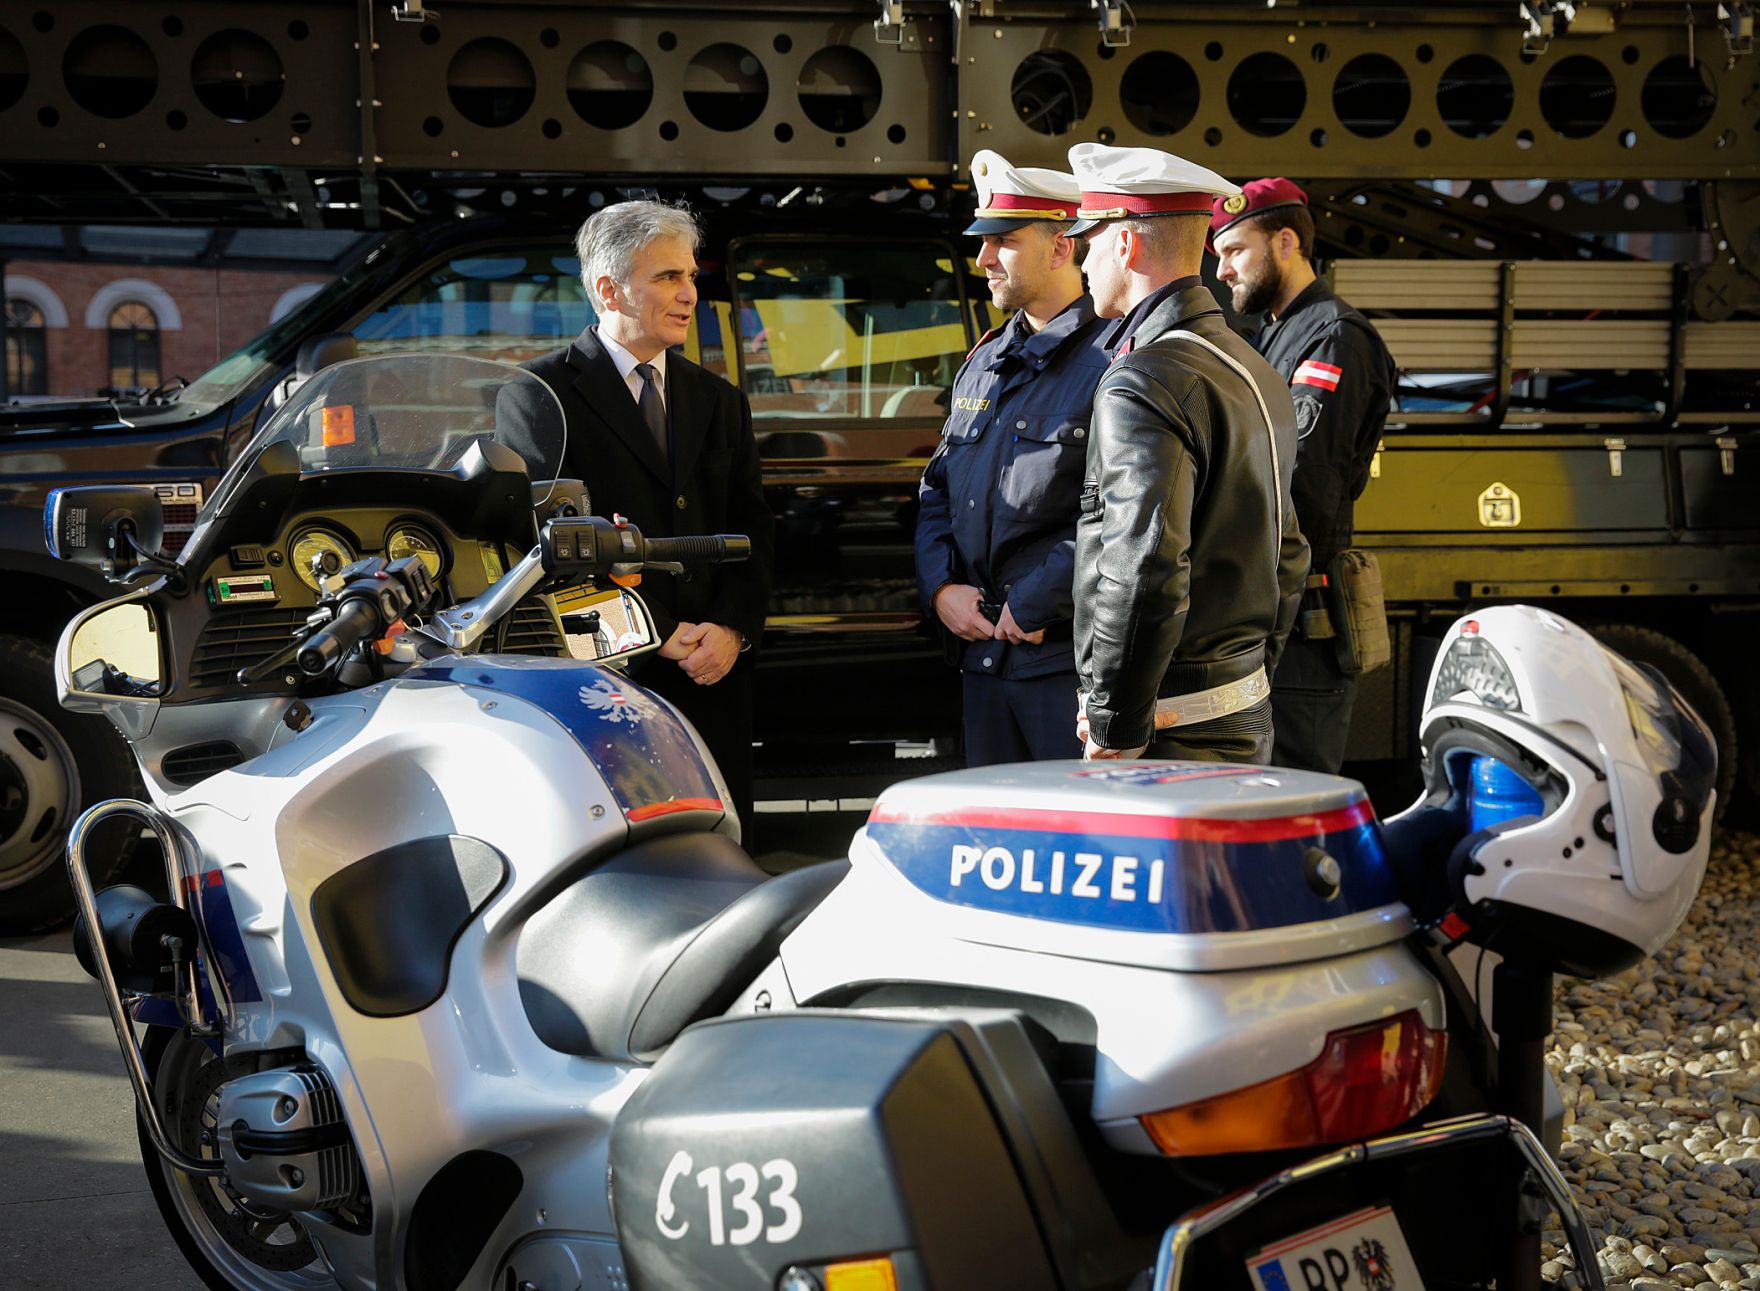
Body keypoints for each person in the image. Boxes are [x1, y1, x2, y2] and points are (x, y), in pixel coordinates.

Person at [508, 200, 774, 828]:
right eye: (668, 277)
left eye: (690, 275)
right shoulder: (537, 395)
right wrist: (655, 633)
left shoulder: (719, 400)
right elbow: (541, 549)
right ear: (608, 288)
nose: (690, 294)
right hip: (609, 688)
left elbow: (753, 528)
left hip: (713, 680)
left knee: (724, 862)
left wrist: (731, 629)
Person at [1064, 144, 1309, 764]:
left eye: (1087, 236)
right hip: (1235, 708)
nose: (1081, 258)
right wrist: (1245, 677)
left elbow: (1143, 566)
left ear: (1124, 243)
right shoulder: (1252, 366)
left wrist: (1116, 723)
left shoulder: (1143, 379)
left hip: (1168, 728)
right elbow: (1289, 552)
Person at [915, 149, 1112, 765]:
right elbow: (938, 489)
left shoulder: (1114, 360)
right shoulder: (986, 357)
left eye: (1003, 240)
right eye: (982, 241)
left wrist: (1035, 600)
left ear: (1061, 247)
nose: (982, 260)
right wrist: (941, 586)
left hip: (1062, 665)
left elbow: (1124, 516)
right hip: (985, 664)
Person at [1210, 178, 1396, 774]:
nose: (1223, 271)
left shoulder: (1333, 337)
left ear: (1285, 241)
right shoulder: (1276, 334)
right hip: (1271, 619)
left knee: (1292, 801)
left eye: (1235, 250)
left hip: (1305, 632)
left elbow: (1301, 488)